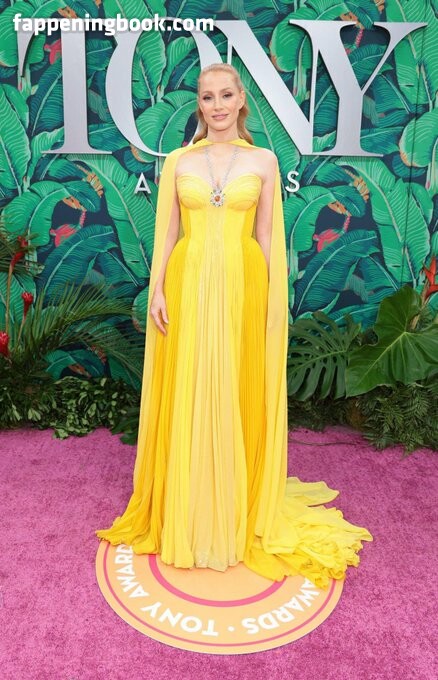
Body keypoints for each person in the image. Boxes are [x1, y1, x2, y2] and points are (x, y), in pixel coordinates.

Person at [96, 63, 373, 589]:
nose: (218, 105)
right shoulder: (177, 161)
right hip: (189, 284)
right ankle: (188, 506)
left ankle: (232, 504)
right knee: (191, 387)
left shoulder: (264, 160)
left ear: (242, 99)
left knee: (233, 387)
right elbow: (167, 233)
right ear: (198, 104)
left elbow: (266, 236)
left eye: (226, 95)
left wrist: (270, 297)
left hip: (243, 286)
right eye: (208, 97)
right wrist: (158, 290)